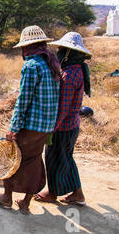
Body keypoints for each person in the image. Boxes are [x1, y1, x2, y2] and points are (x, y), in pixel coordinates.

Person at [0, 26, 60, 215]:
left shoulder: (31, 65)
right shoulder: (51, 62)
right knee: (34, 161)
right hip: (46, 126)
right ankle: (26, 201)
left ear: (26, 47)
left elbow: (24, 99)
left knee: (14, 160)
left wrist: (14, 127)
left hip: (31, 125)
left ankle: (6, 198)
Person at [34, 32, 91, 206]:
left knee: (54, 158)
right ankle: (77, 194)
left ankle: (53, 193)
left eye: (61, 50)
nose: (58, 53)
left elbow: (63, 107)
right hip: (71, 125)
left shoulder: (68, 75)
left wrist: (51, 128)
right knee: (65, 158)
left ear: (67, 53)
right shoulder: (78, 69)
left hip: (63, 127)